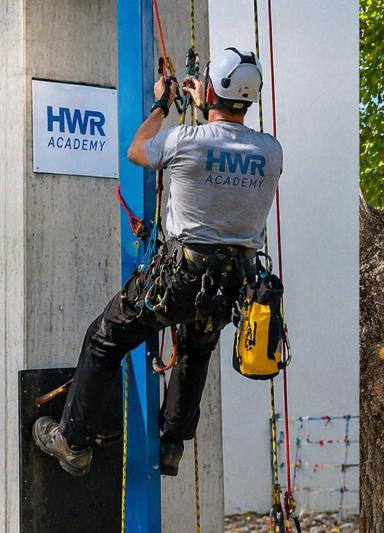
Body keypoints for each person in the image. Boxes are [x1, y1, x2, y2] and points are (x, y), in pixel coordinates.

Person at [32, 48, 282, 477]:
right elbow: (229, 157)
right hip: (232, 286)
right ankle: (171, 444)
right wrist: (206, 105)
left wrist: (162, 105)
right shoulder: (272, 152)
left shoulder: (185, 141)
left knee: (105, 338)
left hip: (182, 277)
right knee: (197, 347)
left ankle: (73, 442)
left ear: (211, 91)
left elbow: (137, 150)